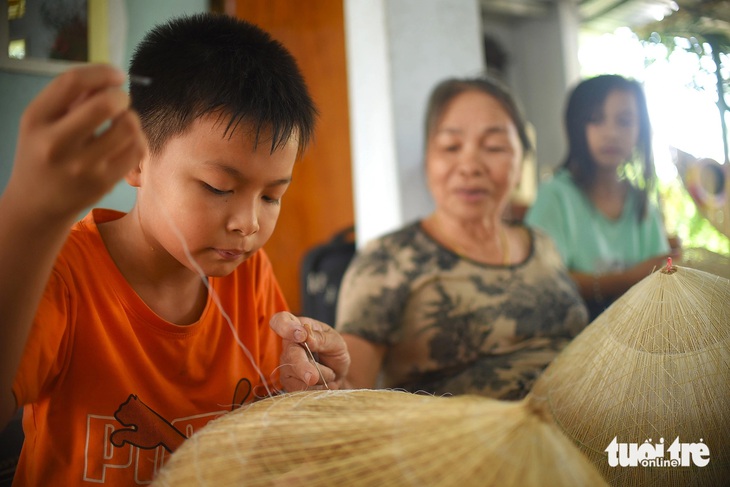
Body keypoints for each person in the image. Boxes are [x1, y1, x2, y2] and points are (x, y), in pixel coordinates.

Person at [0, 14, 350, 486]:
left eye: (272, 197)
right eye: (217, 187)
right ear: (135, 158)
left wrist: (309, 396)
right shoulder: (63, 274)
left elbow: (268, 442)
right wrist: (25, 219)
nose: (247, 224)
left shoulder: (249, 274)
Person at [335, 77, 588, 400]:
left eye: (494, 147)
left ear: (521, 160)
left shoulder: (542, 245)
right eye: (451, 147)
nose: (470, 166)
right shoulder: (387, 259)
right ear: (428, 160)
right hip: (462, 444)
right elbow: (349, 389)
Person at [525, 74, 676, 320]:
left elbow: (661, 277)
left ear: (640, 130)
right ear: (576, 126)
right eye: (596, 119)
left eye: (625, 121)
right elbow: (542, 282)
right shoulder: (555, 196)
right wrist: (627, 279)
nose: (612, 133)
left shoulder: (642, 203)